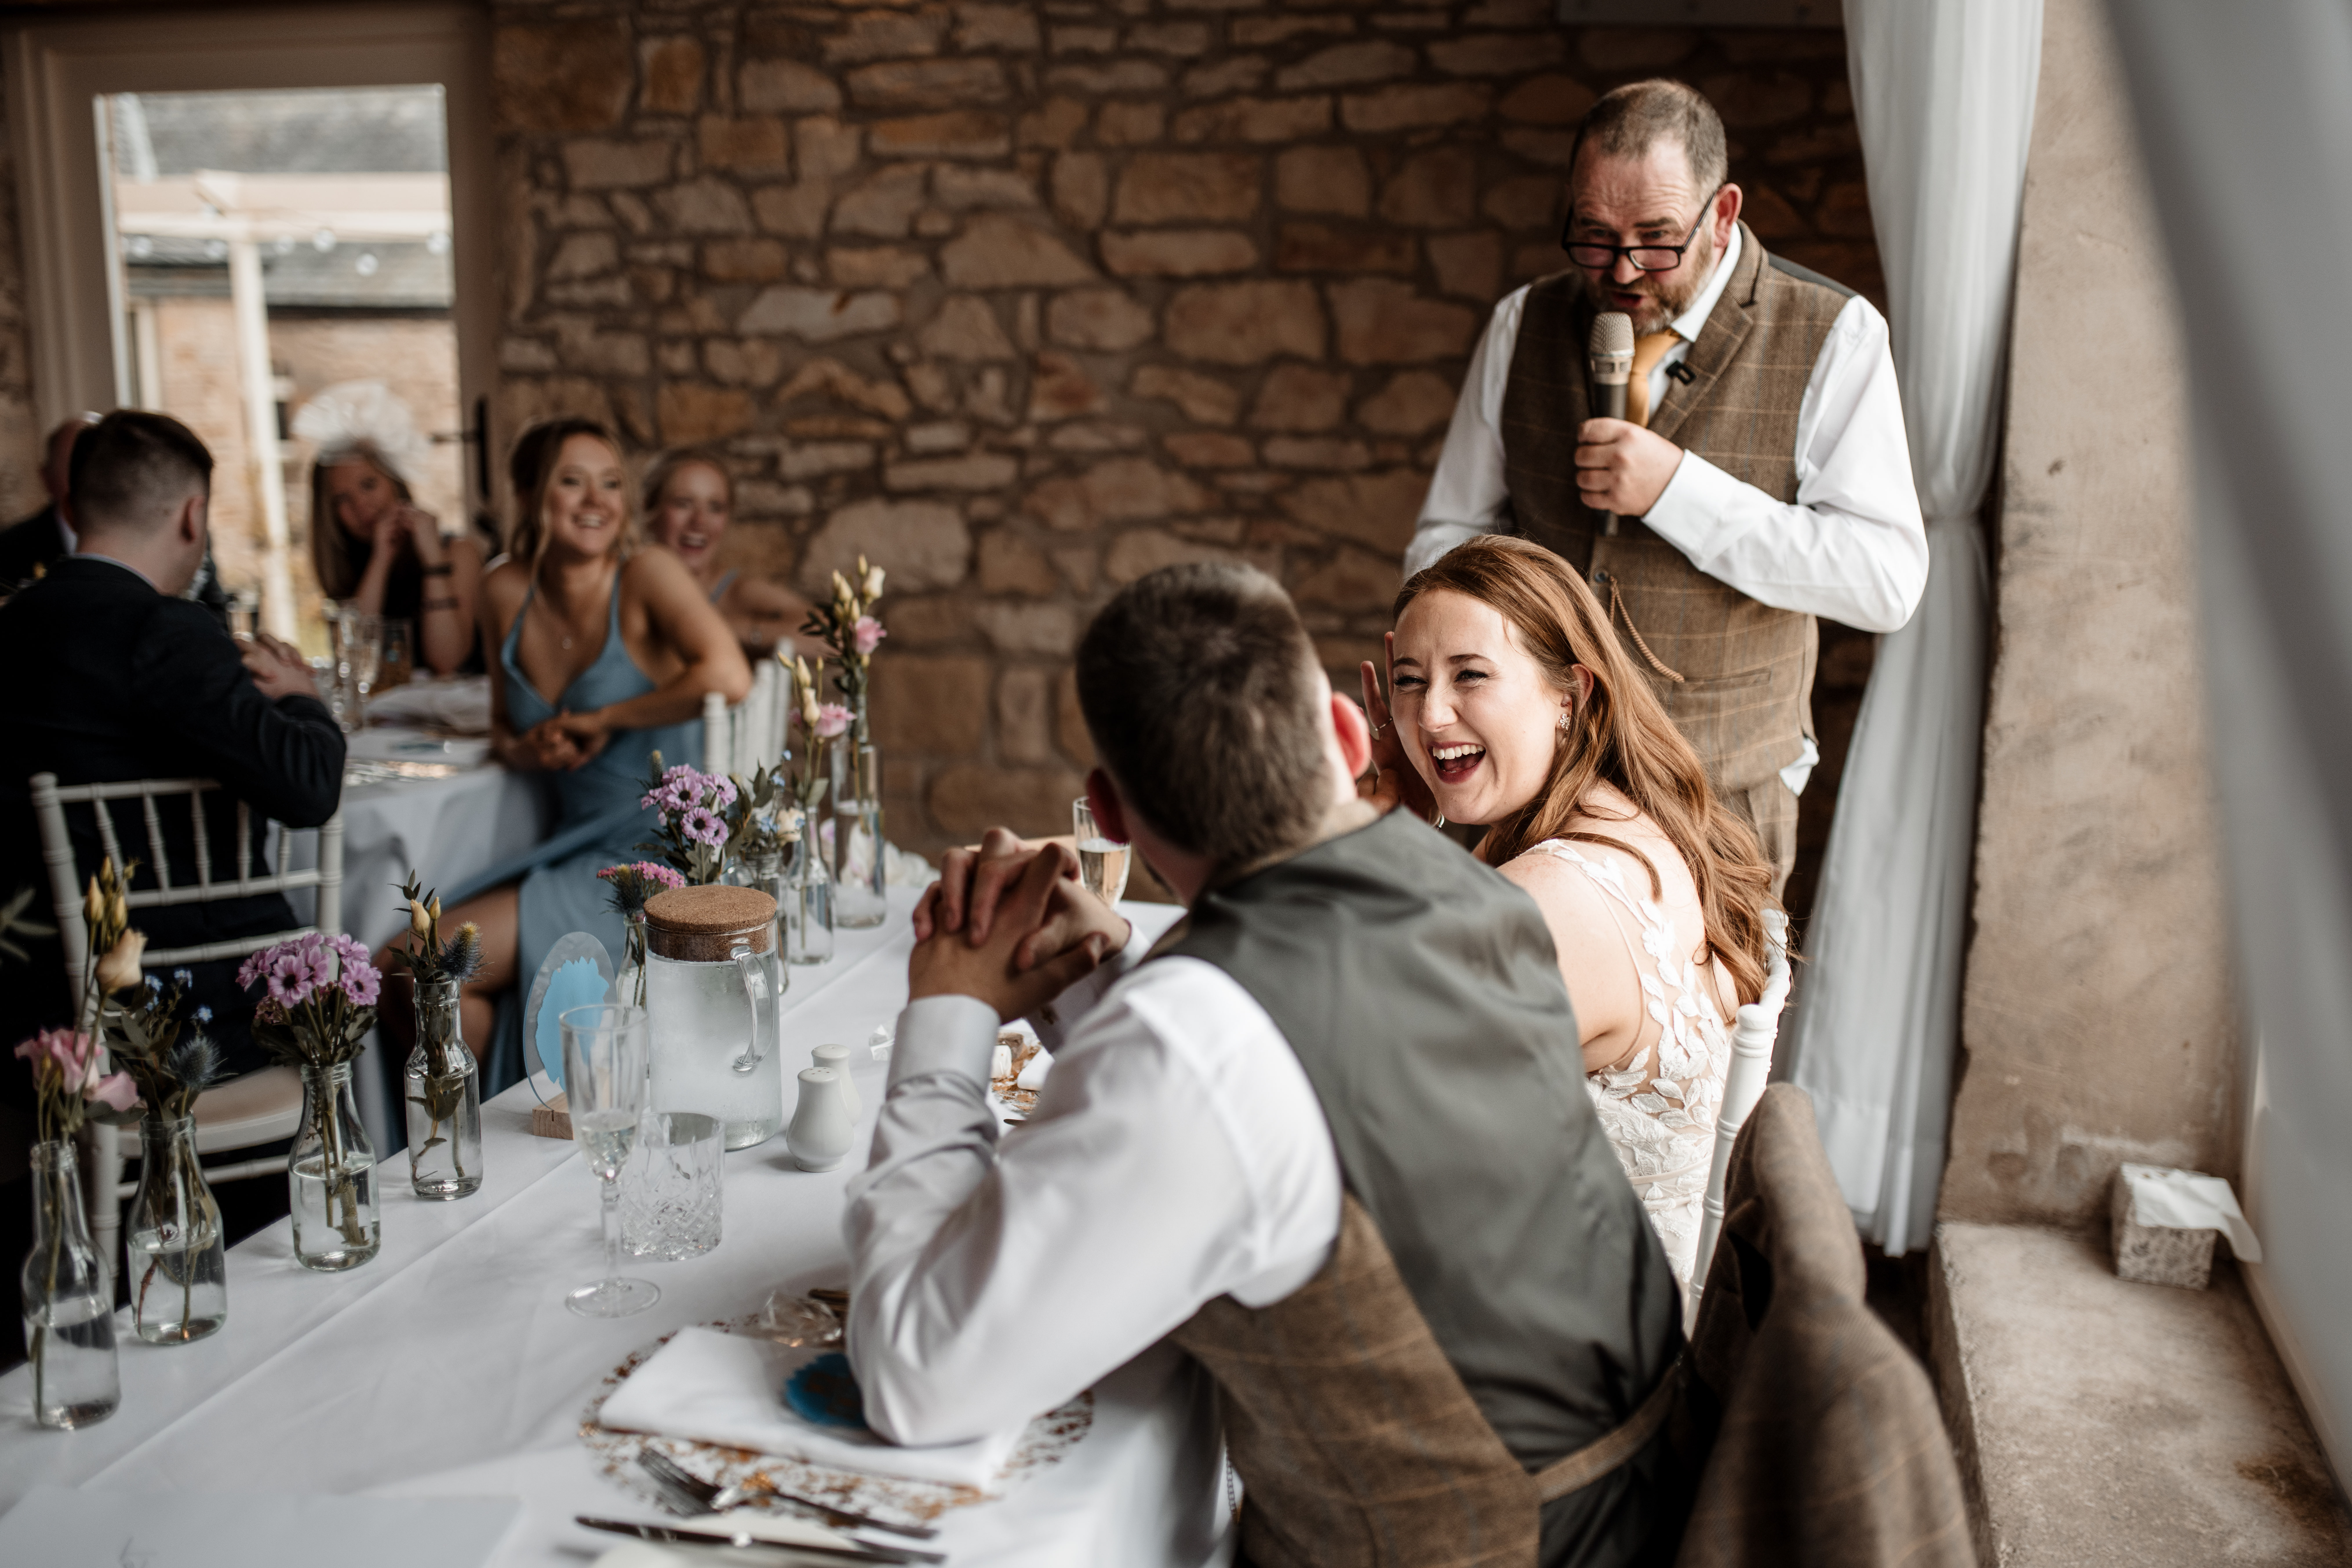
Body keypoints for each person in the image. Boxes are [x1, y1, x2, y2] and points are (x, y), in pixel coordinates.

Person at [848, 563, 1687, 1567]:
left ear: (1107, 813)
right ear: (1343, 733)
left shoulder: (1193, 1042)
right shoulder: (1479, 898)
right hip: (1645, 1509)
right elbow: (1295, 1081)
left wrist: (948, 1013)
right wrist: (1093, 968)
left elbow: (919, 1378)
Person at [1408, 79, 1927, 893]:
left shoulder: (1836, 334)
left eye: (1656, 240)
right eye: (1592, 235)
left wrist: (1676, 491)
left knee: (1716, 1026)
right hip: (1535, 795)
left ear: (1721, 215)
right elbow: (1443, 542)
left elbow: (1884, 581)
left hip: (1724, 794)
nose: (1620, 270)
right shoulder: (1522, 323)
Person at [1363, 533, 1779, 1309]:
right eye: (1408, 681)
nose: (1428, 713)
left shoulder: (1545, 899)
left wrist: (1357, 842)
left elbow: (1361, 1110)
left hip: (1569, 1344)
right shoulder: (1627, 827)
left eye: (1470, 676)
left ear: (1569, 694)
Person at [0, 411, 343, 1088]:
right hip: (183, 1012)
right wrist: (304, 699)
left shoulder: (11, 627)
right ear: (194, 516)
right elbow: (309, 788)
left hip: (30, 993)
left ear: (72, 504)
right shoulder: (166, 632)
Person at [393, 419, 749, 1067]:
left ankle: (519, 1102)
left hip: (654, 860)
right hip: (569, 847)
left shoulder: (647, 573)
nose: (596, 501)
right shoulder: (505, 588)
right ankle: (494, 1127)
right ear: (532, 497)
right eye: (572, 481)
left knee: (426, 964)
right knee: (419, 972)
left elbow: (729, 673)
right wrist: (534, 750)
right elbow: (505, 729)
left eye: (611, 483)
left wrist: (605, 717)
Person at [301, 381, 487, 677]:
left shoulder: (457, 551)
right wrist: (381, 560)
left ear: (395, 483)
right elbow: (356, 663)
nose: (362, 506)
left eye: (369, 485)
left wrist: (433, 561)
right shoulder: (346, 562)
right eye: (342, 499)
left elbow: (447, 662)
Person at [1, 412, 234, 625]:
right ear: (47, 478)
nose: (91, 480)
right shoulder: (11, 550)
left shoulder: (173, 532)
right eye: (73, 468)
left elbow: (216, 611)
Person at [640, 448, 810, 655]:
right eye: (683, 504)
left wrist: (741, 631)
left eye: (716, 508)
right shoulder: (622, 582)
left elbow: (833, 633)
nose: (700, 522)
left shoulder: (734, 593)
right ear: (650, 509)